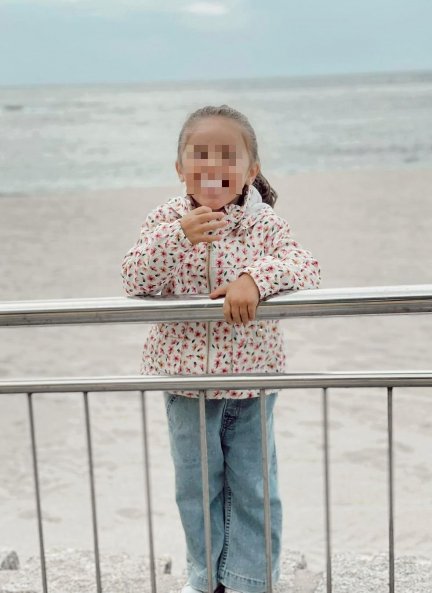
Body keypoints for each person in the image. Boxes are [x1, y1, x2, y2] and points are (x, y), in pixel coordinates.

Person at [121, 105, 321, 593]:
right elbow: (133, 279)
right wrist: (175, 239)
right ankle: (206, 578)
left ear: (251, 170)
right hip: (186, 385)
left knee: (253, 487)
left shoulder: (262, 223)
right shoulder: (167, 219)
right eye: (201, 155)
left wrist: (255, 279)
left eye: (228, 156)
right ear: (180, 168)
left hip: (253, 380)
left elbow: (306, 266)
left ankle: (251, 580)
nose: (213, 167)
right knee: (198, 488)